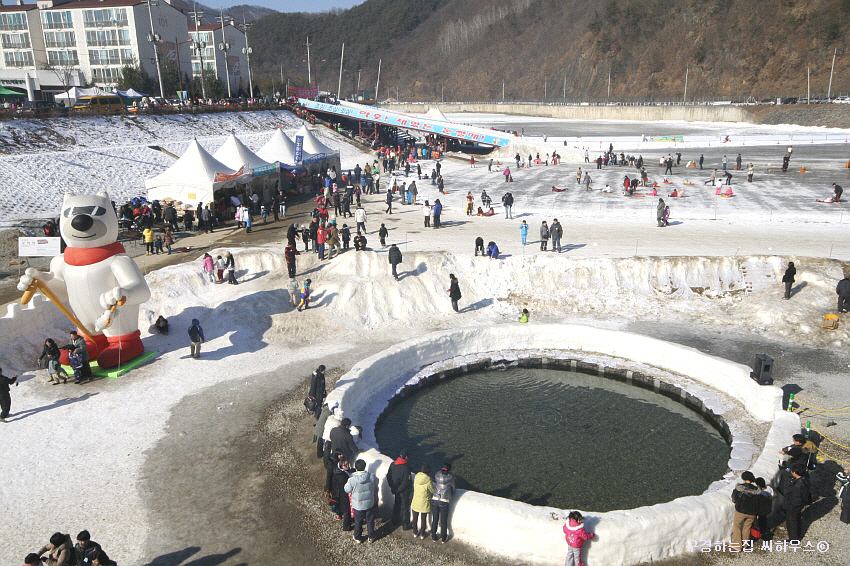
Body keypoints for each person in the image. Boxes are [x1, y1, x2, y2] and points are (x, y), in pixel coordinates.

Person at [345, 459, 379, 543]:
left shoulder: (352, 479)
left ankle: (357, 537)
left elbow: (347, 489)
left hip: (358, 505)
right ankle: (371, 536)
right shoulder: (371, 476)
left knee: (358, 521)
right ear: (364, 467)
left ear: (356, 467)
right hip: (369, 503)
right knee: (370, 520)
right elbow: (376, 483)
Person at [730, 471, 762, 552]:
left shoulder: (739, 488)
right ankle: (745, 545)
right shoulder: (757, 490)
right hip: (752, 513)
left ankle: (737, 545)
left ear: (743, 478)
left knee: (737, 526)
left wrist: (734, 501)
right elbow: (759, 503)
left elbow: (734, 497)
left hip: (741, 511)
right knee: (747, 528)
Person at [783, 464, 810, 541]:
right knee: (796, 519)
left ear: (795, 473)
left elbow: (796, 499)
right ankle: (797, 534)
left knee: (792, 522)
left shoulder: (798, 485)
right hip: (800, 505)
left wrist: (790, 506)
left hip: (794, 506)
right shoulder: (805, 480)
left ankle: (793, 539)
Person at [387, 449, 413, 530]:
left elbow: (389, 477)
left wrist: (393, 487)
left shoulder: (392, 464)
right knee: (405, 507)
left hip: (395, 488)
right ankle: (405, 524)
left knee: (397, 505)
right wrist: (399, 490)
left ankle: (394, 521)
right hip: (404, 491)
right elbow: (406, 481)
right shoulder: (406, 467)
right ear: (406, 457)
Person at [431, 462, 456, 543]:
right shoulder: (451, 477)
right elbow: (453, 489)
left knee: (435, 519)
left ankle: (433, 536)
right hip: (444, 500)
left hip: (435, 498)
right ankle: (443, 538)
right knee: (443, 520)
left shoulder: (436, 475)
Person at [331, 455, 353, 531]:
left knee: (343, 509)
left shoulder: (338, 473)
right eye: (345, 465)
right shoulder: (343, 476)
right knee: (347, 511)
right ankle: (346, 526)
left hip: (339, 494)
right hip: (344, 495)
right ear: (341, 466)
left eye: (348, 464)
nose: (347, 466)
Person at [411, 463, 434, 539]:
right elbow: (432, 490)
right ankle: (422, 533)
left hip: (416, 500)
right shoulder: (429, 480)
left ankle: (415, 532)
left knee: (415, 518)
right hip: (424, 502)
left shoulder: (416, 476)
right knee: (423, 519)